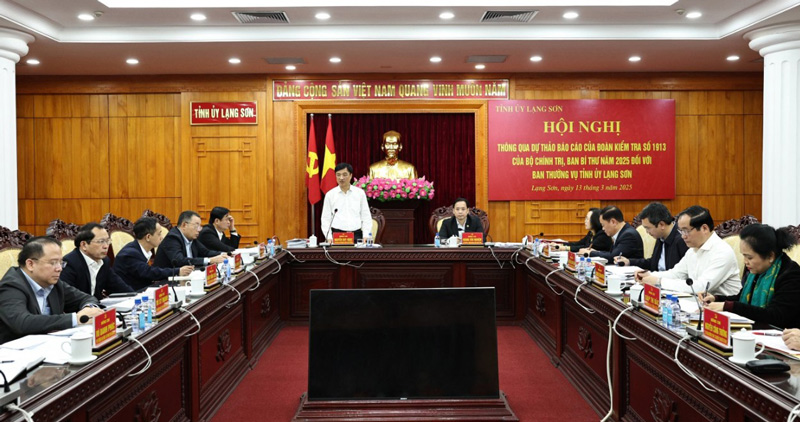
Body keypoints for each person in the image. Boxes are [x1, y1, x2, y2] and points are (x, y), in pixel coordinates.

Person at [0, 237, 103, 344]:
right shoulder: (11, 286)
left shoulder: (52, 283)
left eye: (61, 262)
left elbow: (86, 298)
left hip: (51, 346)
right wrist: (77, 319)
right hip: (17, 353)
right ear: (30, 264)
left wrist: (89, 309)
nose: (59, 268)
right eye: (53, 263)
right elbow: (22, 323)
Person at [700, 224, 800, 328]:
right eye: (744, 256)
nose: (745, 262)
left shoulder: (791, 275)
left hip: (782, 337)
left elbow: (775, 315)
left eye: (749, 257)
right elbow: (742, 298)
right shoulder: (758, 270)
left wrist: (729, 307)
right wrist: (716, 298)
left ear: (770, 256)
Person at [636, 205, 740, 296]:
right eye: (681, 231)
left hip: (722, 310)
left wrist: (659, 281)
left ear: (704, 228)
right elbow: (676, 274)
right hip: (698, 303)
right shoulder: (693, 249)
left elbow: (702, 287)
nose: (683, 236)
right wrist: (648, 275)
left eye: (686, 231)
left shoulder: (722, 252)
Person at [113, 217, 194, 291]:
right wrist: (177, 271)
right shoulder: (129, 254)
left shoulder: (140, 249)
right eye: (159, 234)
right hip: (129, 296)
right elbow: (149, 272)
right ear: (148, 237)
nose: (162, 237)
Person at [61, 223, 134, 300]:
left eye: (107, 241)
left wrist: (135, 297)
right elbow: (68, 296)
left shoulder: (104, 261)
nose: (106, 246)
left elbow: (119, 287)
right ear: (84, 245)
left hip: (96, 307)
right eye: (101, 241)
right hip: (79, 309)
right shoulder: (70, 263)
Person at [615, 202, 688, 271]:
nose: (647, 232)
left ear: (661, 225)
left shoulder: (682, 240)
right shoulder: (661, 237)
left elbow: (681, 273)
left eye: (648, 228)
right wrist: (629, 262)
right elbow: (653, 263)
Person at [153, 211, 227, 268]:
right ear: (184, 225)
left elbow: (206, 252)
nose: (199, 230)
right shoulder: (172, 238)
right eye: (196, 226)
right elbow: (180, 260)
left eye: (200, 226)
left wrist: (223, 254)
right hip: (167, 282)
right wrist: (210, 260)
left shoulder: (191, 237)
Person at [321, 163, 372, 243]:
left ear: (351, 175)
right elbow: (325, 218)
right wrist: (329, 237)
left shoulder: (359, 193)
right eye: (338, 175)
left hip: (356, 235)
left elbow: (366, 216)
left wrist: (366, 235)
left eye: (345, 175)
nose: (341, 178)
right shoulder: (330, 195)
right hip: (337, 235)